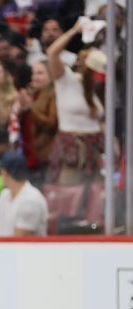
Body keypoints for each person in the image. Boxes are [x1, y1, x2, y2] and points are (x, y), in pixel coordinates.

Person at [46, 19, 104, 185]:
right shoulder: (67, 80)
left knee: (94, 198)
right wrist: (74, 30)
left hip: (95, 148)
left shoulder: (97, 90)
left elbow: (98, 119)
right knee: (68, 194)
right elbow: (52, 53)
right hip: (71, 147)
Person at [0, 150, 48, 237]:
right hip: (3, 249)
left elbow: (19, 242)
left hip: (27, 250)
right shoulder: (3, 196)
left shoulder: (31, 200)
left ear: (4, 172)